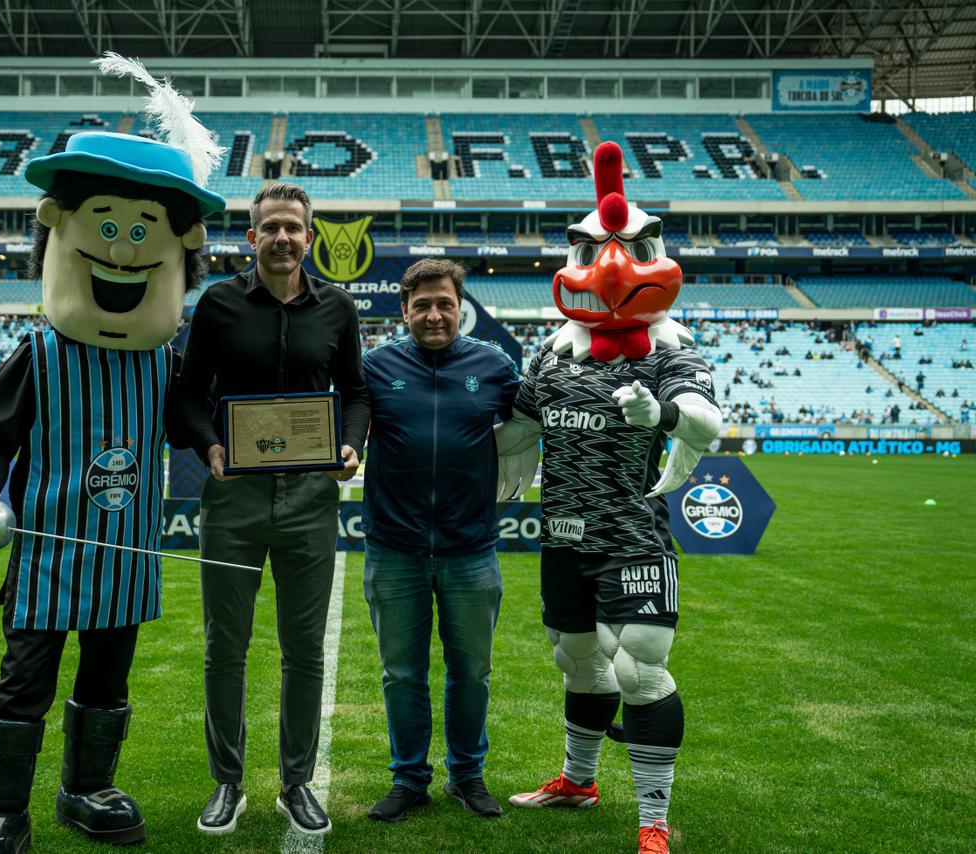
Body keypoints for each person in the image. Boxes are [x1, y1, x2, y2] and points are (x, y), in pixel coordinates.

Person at [0, 55, 225, 854]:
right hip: (46, 558)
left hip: (126, 556)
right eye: (108, 229)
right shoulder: (40, 354)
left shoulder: (163, 363)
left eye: (144, 234)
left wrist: (233, 450)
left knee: (107, 681)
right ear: (60, 228)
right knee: (23, 679)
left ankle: (86, 788)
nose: (127, 250)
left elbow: (195, 424)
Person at [505, 142, 722, 854]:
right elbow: (514, 426)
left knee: (640, 665)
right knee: (578, 661)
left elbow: (704, 421)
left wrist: (659, 415)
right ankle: (579, 779)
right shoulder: (552, 355)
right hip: (563, 534)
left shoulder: (669, 352)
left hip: (633, 536)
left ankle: (654, 822)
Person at [168, 182, 370, 837]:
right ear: (252, 237)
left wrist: (350, 443)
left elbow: (358, 394)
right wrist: (210, 445)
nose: (284, 237)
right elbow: (189, 395)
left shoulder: (337, 309)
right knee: (224, 647)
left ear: (308, 238)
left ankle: (296, 782)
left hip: (311, 498)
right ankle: (226, 782)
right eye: (271, 227)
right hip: (234, 496)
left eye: (294, 227)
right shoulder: (219, 305)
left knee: (303, 650)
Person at [359, 259, 535, 823]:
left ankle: (467, 775)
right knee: (402, 673)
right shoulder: (376, 366)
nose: (434, 315)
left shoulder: (495, 364)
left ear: (462, 308)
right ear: (404, 310)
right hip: (394, 548)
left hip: (471, 548)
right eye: (422, 306)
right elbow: (338, 428)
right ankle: (409, 778)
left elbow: (535, 422)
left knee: (472, 673)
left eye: (445, 305)